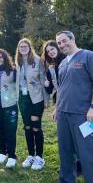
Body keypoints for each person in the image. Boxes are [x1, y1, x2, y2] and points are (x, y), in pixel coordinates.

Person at [55, 30, 93, 183]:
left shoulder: (88, 56)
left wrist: (92, 107)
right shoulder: (63, 62)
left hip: (82, 115)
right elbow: (61, 87)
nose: (62, 45)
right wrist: (57, 108)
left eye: (64, 41)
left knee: (87, 152)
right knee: (65, 151)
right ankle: (66, 180)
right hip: (63, 115)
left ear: (73, 39)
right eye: (59, 43)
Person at [15, 38, 47, 170]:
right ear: (18, 48)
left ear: (29, 47)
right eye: (21, 46)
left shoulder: (37, 60)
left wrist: (45, 100)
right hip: (23, 99)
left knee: (35, 127)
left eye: (25, 46)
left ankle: (39, 157)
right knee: (27, 127)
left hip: (36, 98)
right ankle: (31, 155)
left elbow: (43, 79)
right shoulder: (18, 61)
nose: (23, 48)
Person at [0, 49, 18, 168]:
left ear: (5, 58)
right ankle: (2, 152)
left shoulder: (13, 71)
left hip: (9, 106)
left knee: (10, 131)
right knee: (0, 129)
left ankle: (11, 156)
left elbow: (21, 84)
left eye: (0, 57)